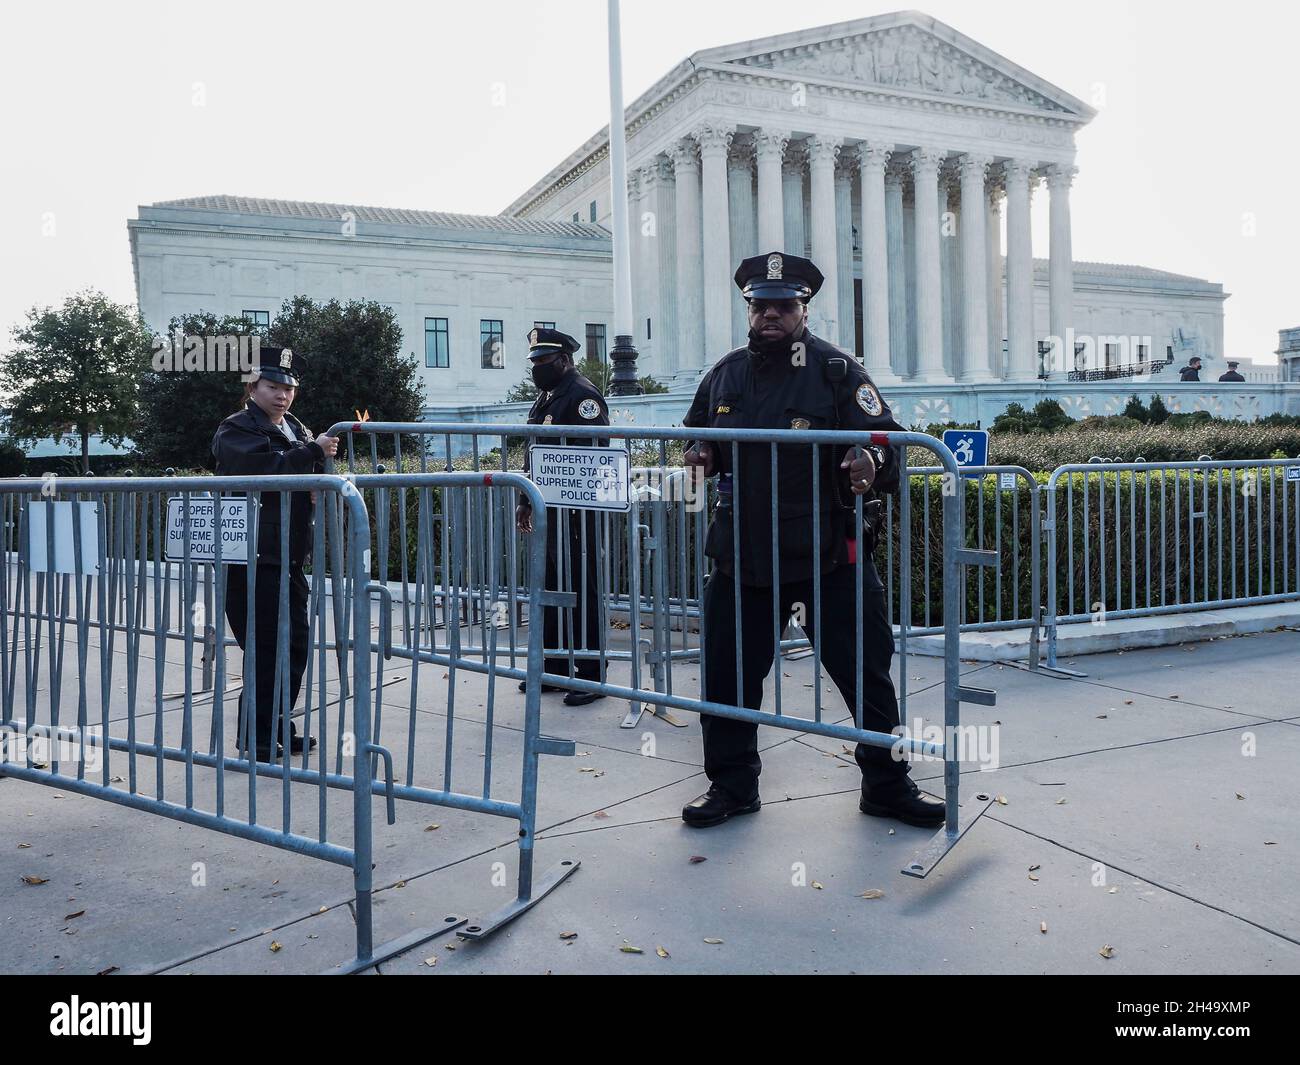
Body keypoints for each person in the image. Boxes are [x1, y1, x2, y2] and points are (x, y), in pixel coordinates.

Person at [679, 251, 944, 830]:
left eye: (784, 305)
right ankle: (730, 786)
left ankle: (887, 785)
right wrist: (699, 455)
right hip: (742, 556)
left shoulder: (837, 371)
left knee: (865, 676)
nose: (772, 314)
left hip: (827, 557)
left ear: (804, 309)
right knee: (727, 677)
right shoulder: (724, 374)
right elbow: (696, 440)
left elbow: (890, 445)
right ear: (748, 309)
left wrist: (869, 459)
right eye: (761, 305)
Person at [211, 345, 339, 761]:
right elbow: (266, 471)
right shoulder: (236, 429)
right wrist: (314, 452)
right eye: (272, 386)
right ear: (253, 387)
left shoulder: (295, 429)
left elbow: (299, 471)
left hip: (285, 555)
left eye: (288, 387)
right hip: (251, 556)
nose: (282, 394)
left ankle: (278, 725)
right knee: (266, 646)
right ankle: (257, 736)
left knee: (293, 644)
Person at [515, 328, 609, 707]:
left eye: (545, 361)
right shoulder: (547, 395)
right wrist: (526, 498)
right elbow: (534, 450)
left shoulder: (582, 395)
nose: (538, 368)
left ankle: (590, 674)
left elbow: (598, 452)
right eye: (535, 362)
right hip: (548, 508)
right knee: (550, 586)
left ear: (565, 360)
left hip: (577, 512)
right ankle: (553, 668)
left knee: (582, 589)